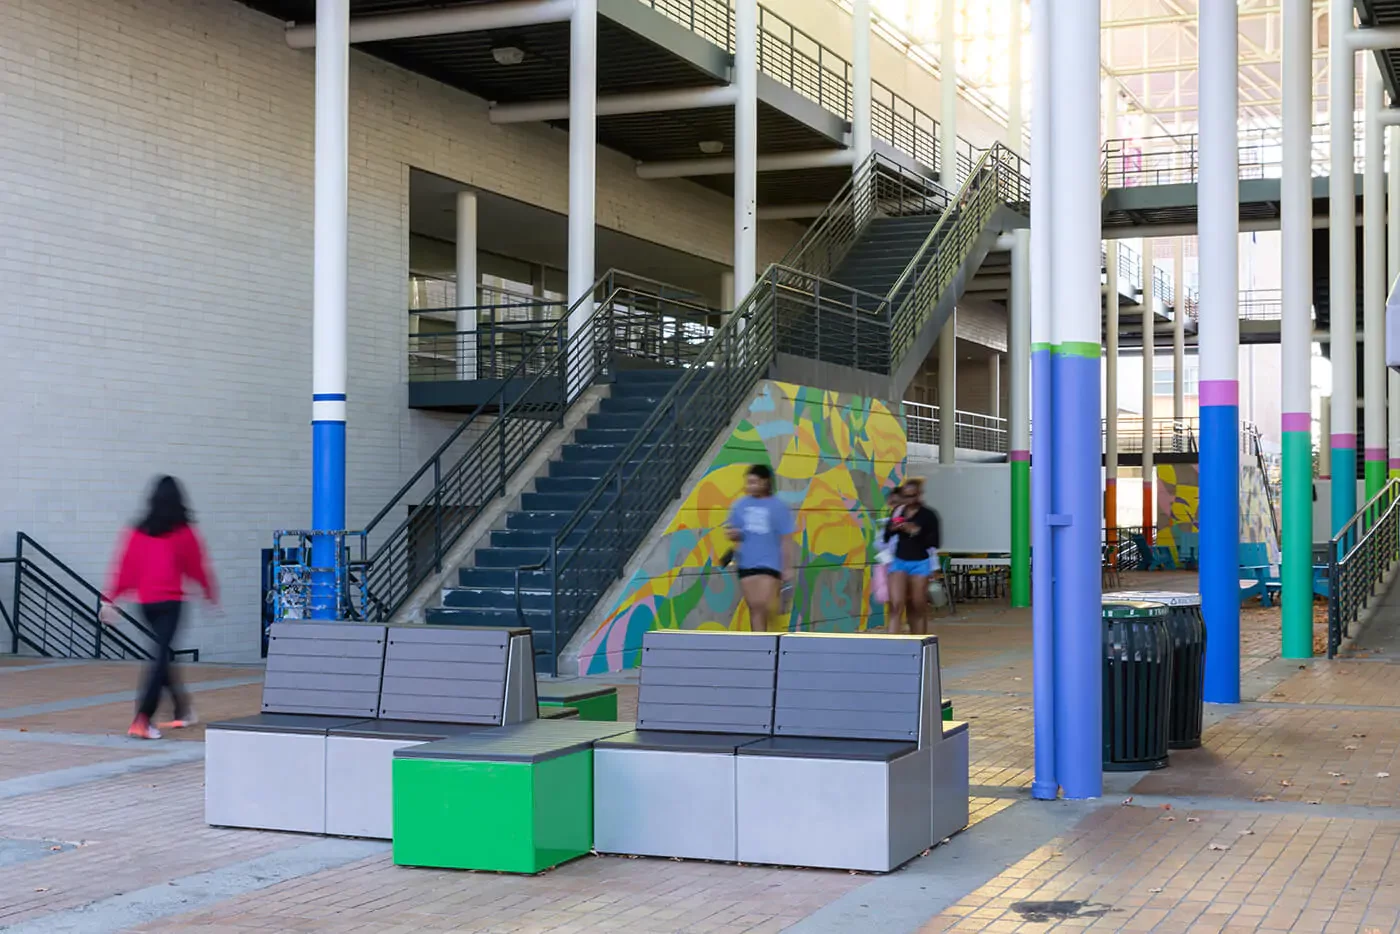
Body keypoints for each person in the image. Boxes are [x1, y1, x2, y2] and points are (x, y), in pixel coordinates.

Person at [102, 476, 218, 739]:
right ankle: (143, 717)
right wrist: (210, 595)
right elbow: (197, 567)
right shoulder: (185, 531)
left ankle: (182, 711)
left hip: (146, 604)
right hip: (171, 604)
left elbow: (125, 567)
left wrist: (111, 599)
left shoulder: (138, 530)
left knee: (162, 655)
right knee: (160, 658)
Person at [725, 464, 795, 632]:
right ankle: (760, 644)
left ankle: (773, 637)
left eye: (754, 482)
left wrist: (787, 566)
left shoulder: (778, 506)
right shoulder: (740, 505)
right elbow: (731, 531)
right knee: (755, 607)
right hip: (747, 563)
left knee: (765, 604)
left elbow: (785, 538)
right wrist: (733, 534)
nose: (750, 486)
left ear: (765, 482)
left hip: (770, 563)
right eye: (748, 482)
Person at [884, 478, 941, 635]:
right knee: (896, 605)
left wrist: (916, 531)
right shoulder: (898, 512)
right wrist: (894, 528)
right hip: (899, 560)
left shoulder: (929, 515)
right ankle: (891, 645)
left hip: (920, 561)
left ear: (919, 495)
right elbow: (885, 537)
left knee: (917, 605)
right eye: (906, 496)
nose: (909, 500)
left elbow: (935, 542)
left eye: (913, 495)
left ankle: (919, 642)